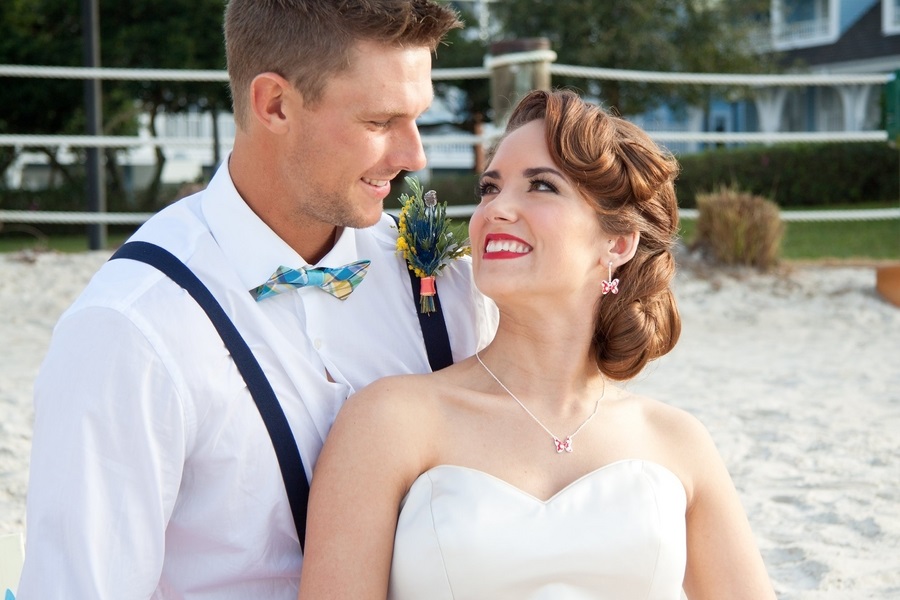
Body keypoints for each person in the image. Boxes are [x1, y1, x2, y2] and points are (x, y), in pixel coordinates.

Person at [17, 1, 496, 598]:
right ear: (274, 104)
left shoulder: (442, 285)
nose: (413, 156)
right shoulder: (130, 329)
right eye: (380, 122)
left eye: (417, 118)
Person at [297, 89, 778, 600]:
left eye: (541, 187)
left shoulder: (677, 440)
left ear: (617, 243)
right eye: (489, 187)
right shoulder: (389, 421)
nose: (496, 210)